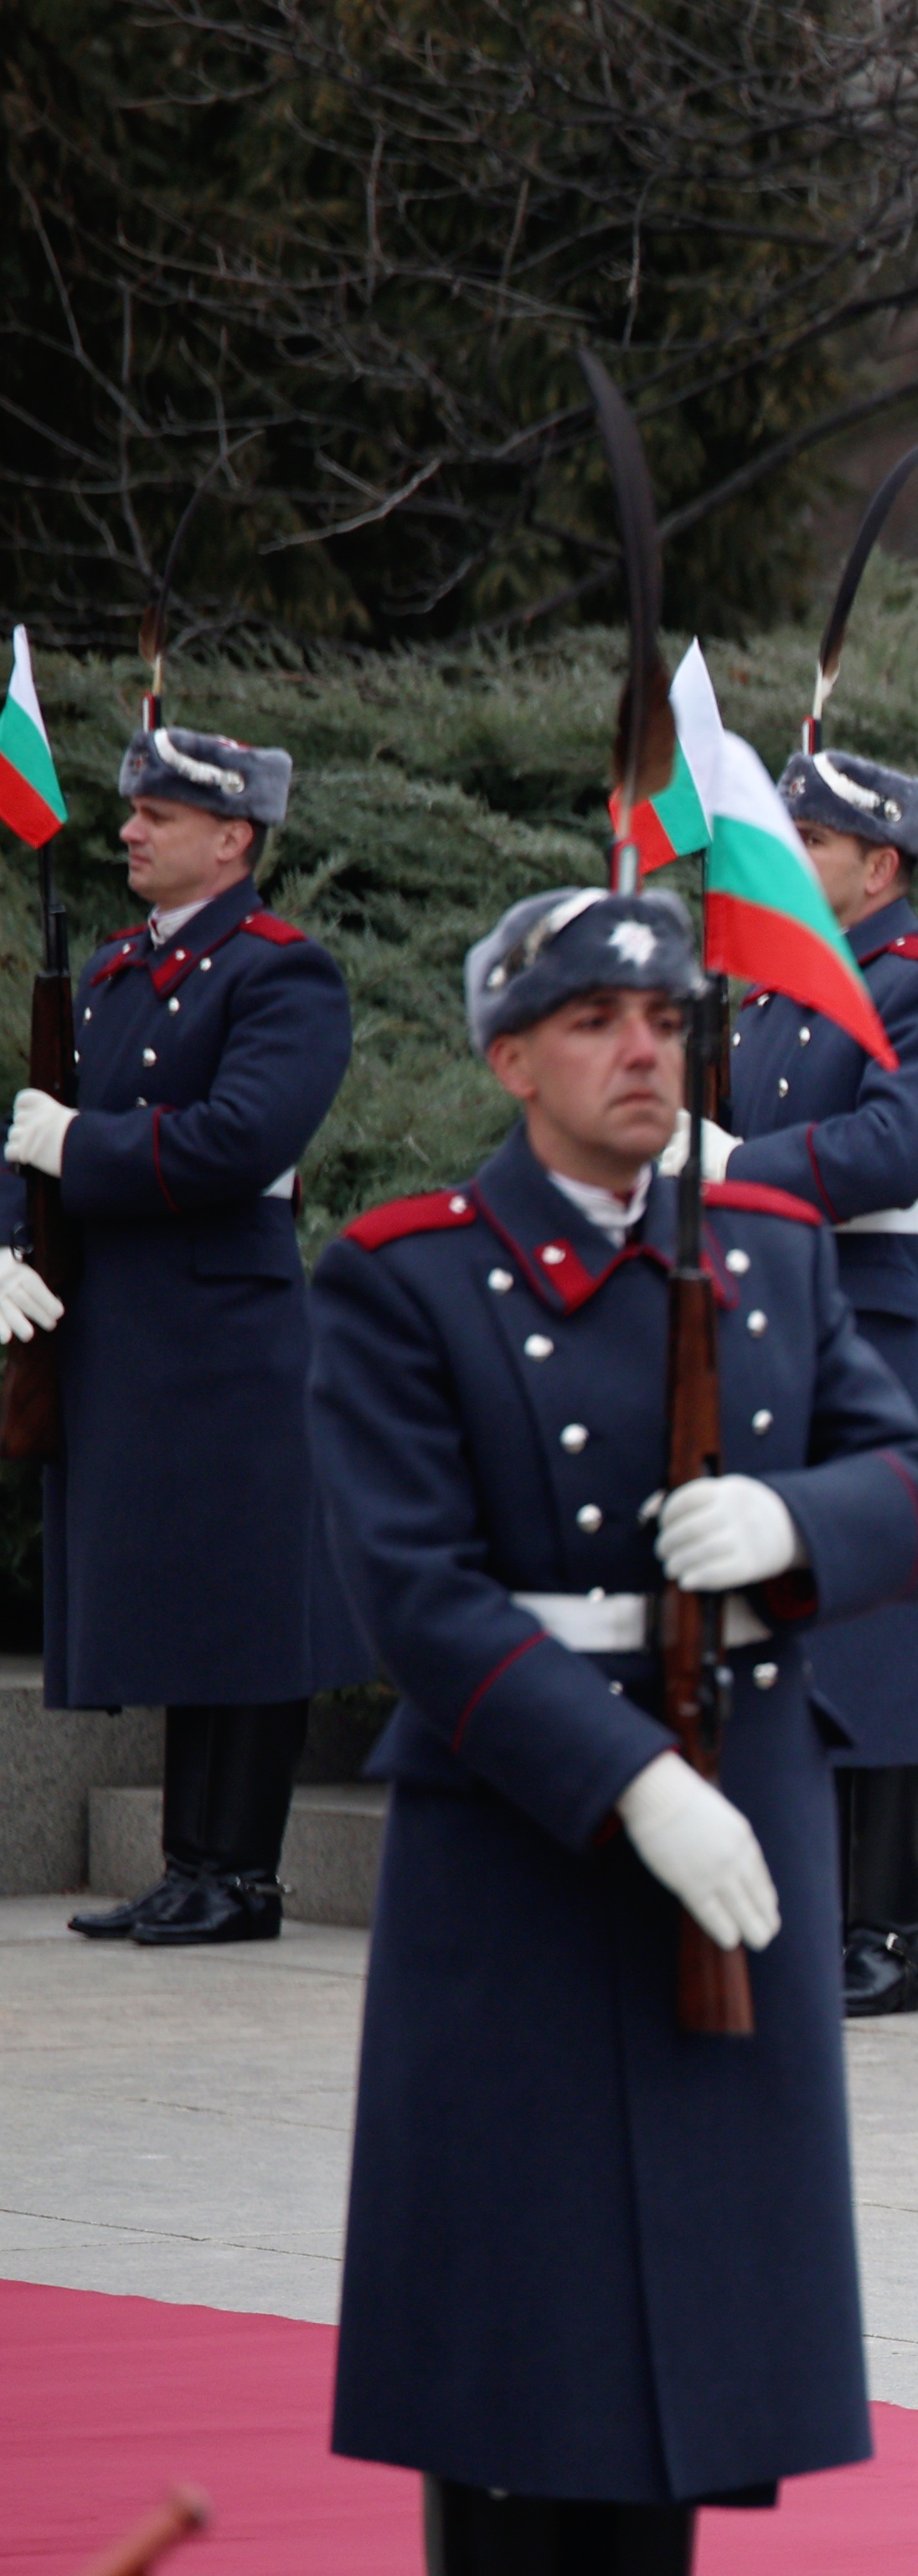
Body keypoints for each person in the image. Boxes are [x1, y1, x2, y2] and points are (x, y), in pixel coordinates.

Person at [308, 883, 918, 2576]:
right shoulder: (405, 1278)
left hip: (735, 1813)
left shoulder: (760, 1254)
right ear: (510, 1059)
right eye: (594, 1021)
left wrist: (793, 1525)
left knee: (676, 2314)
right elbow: (411, 1599)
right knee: (514, 2328)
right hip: (525, 1839)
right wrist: (627, 1787)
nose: (644, 1051)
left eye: (667, 1016)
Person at [3, 717, 366, 1945]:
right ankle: (187, 1865)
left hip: (227, 1324)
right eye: (133, 810)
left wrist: (76, 1146)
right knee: (179, 1598)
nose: (130, 831)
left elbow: (239, 1139)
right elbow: (33, 1131)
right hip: (125, 1326)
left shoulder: (283, 972)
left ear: (233, 838)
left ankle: (243, 1875)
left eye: (159, 815)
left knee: (246, 1602)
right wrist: (10, 1233)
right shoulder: (109, 973)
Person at [715, 746, 918, 2017]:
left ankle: (884, 1935)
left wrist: (736, 1160)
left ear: (879, 864)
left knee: (892, 1636)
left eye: (808, 842)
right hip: (778, 1325)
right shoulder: (768, 996)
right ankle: (804, 1911)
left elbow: (901, 1144)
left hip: (887, 1328)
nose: (779, 861)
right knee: (797, 1615)